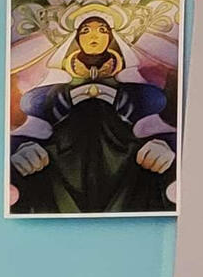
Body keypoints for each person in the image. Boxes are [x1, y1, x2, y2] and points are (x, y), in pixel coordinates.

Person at [11, 13, 176, 215]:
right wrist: (22, 150)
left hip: (128, 170)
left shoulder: (138, 93)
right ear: (76, 38)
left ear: (112, 38)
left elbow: (159, 129)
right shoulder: (51, 94)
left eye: (102, 30)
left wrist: (164, 148)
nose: (94, 36)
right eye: (86, 31)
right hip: (57, 171)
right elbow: (27, 131)